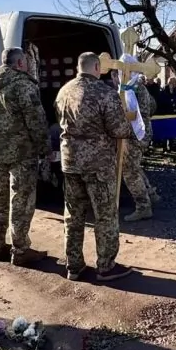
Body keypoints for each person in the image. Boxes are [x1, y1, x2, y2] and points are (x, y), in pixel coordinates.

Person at [55, 52, 133, 282]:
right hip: (97, 164)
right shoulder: (103, 93)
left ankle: (74, 266)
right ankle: (106, 266)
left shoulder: (63, 91)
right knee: (105, 214)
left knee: (73, 215)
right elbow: (119, 129)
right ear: (97, 67)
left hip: (70, 162)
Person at [0, 47, 52, 266]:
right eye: (27, 61)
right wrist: (45, 148)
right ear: (20, 63)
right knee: (21, 200)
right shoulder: (23, 85)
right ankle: (21, 249)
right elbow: (36, 121)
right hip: (22, 152)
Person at [122, 72, 161, 221]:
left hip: (135, 134)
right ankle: (151, 193)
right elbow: (152, 105)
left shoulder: (130, 88)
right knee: (134, 165)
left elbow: (128, 112)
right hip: (144, 131)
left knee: (130, 170)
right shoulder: (141, 87)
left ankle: (143, 206)